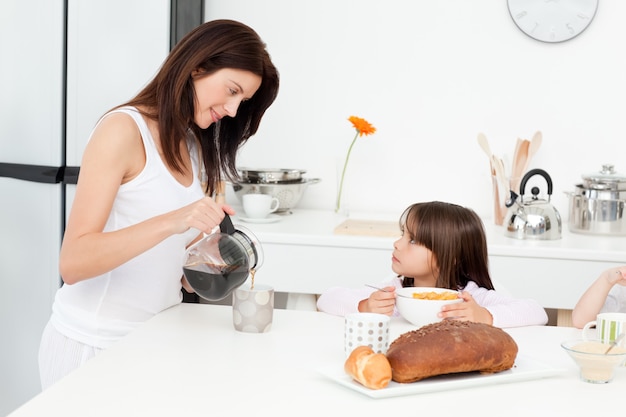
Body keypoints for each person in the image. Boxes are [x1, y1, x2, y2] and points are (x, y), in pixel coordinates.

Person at [38, 19, 279, 389]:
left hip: (154, 340)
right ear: (198, 65)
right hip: (95, 347)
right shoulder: (122, 130)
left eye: (242, 101)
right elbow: (73, 262)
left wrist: (206, 254)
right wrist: (176, 220)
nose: (232, 109)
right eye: (232, 91)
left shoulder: (193, 146)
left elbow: (169, 266)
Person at [316, 201, 548, 328]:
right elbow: (327, 298)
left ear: (453, 255)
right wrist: (364, 307)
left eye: (413, 240)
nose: (397, 243)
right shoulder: (394, 291)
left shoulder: (469, 298)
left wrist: (484, 316)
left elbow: (536, 312)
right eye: (403, 234)